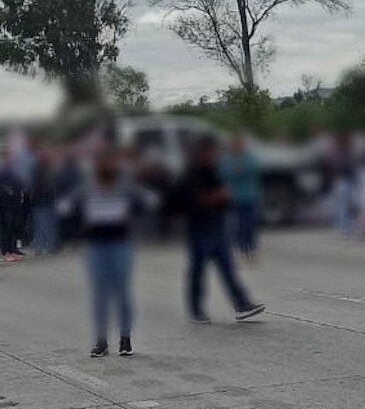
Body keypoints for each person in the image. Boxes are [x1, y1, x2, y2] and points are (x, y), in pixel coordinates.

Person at [59, 145, 157, 357]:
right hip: (95, 246)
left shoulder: (126, 186)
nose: (107, 166)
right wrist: (78, 221)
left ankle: (125, 338)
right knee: (99, 293)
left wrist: (135, 219)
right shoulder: (86, 187)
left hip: (120, 243)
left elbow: (151, 200)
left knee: (122, 290)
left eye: (111, 162)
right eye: (103, 162)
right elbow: (64, 206)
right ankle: (101, 340)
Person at [180, 136, 265, 323]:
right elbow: (192, 199)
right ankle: (196, 310)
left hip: (217, 227)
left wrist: (224, 197)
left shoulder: (214, 172)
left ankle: (241, 303)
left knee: (227, 268)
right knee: (198, 270)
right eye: (211, 152)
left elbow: (225, 195)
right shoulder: (192, 174)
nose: (215, 156)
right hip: (200, 229)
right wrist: (215, 197)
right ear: (202, 153)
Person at [220, 134, 263, 259]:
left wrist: (239, 170)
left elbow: (255, 169)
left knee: (249, 223)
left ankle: (250, 246)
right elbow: (223, 173)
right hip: (233, 197)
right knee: (235, 223)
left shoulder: (250, 158)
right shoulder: (227, 159)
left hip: (249, 196)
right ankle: (239, 245)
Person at [30, 148, 60, 254]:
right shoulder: (38, 171)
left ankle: (47, 245)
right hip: (41, 201)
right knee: (41, 224)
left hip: (47, 201)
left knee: (47, 224)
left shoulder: (50, 170)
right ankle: (42, 245)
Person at [0, 152, 25, 263]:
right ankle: (5, 252)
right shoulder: (3, 171)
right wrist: (8, 191)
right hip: (6, 204)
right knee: (6, 228)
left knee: (13, 227)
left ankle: (11, 250)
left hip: (15, 202)